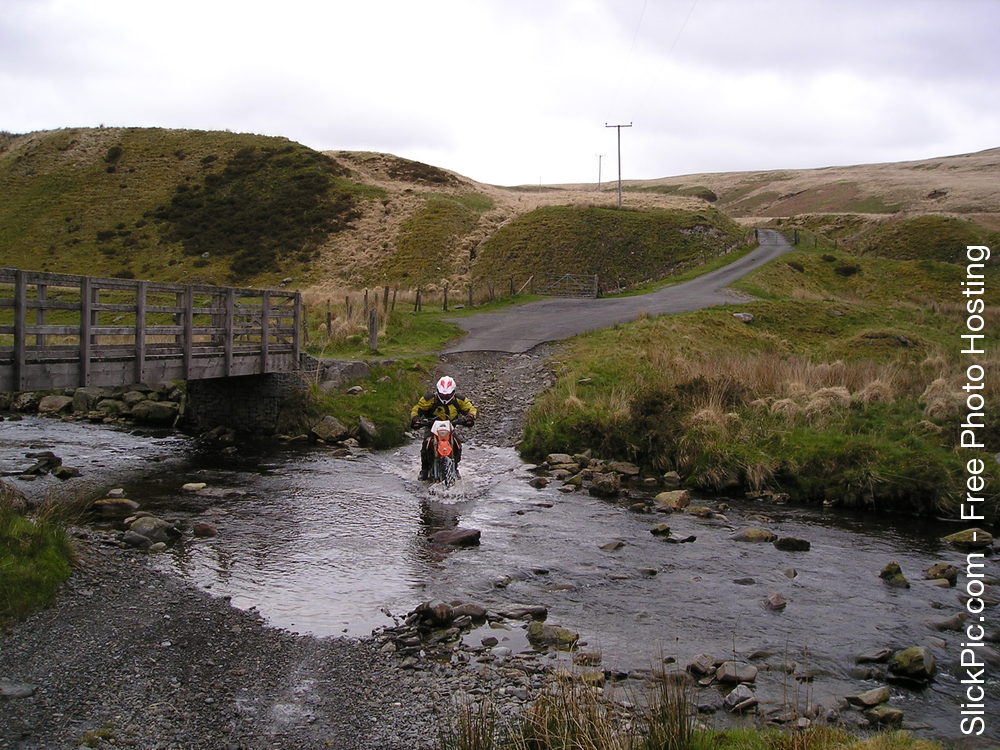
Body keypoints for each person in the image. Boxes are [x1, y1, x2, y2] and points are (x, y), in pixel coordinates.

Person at [410, 375, 478, 480]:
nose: (444, 397)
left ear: (453, 392)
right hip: (432, 427)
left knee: (457, 443)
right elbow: (417, 408)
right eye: (442, 394)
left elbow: (471, 408)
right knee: (426, 444)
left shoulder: (460, 399)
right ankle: (424, 469)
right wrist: (416, 418)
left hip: (450, 427)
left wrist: (469, 417)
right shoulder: (429, 399)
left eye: (447, 395)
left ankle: (455, 467)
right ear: (437, 391)